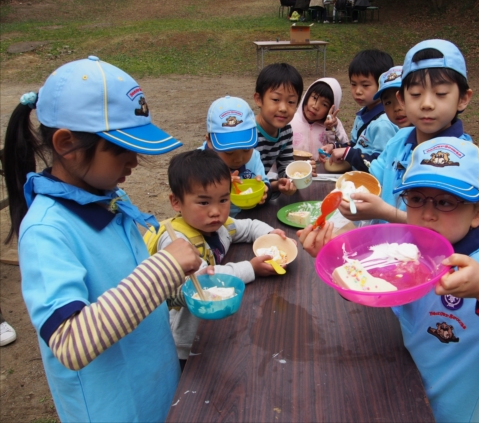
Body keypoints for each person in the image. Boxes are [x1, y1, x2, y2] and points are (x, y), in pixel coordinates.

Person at [298, 138, 479, 422]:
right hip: (391, 397)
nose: (427, 214)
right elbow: (378, 294)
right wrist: (340, 267)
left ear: (478, 213)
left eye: (445, 202)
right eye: (416, 199)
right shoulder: (406, 249)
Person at [2, 56, 202, 422]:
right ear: (66, 143)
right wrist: (166, 267)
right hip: (113, 409)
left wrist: (181, 285)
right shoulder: (47, 230)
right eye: (121, 149)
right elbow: (70, 341)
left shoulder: (109, 198)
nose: (134, 162)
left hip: (157, 389)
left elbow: (130, 283)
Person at [144, 149, 289, 368]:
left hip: (215, 325)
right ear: (176, 202)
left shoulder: (221, 226)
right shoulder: (176, 241)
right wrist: (251, 268)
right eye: (203, 203)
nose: (216, 211)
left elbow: (248, 226)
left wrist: (269, 234)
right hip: (186, 337)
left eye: (223, 200)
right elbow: (208, 279)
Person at [338, 39, 474, 223]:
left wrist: (383, 212)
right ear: (402, 99)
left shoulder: (461, 157)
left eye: (440, 93)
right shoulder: (399, 139)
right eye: (416, 94)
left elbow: (441, 227)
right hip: (379, 244)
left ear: (463, 98)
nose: (427, 104)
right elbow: (374, 180)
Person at [320, 49, 397, 172]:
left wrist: (348, 154)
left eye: (365, 85)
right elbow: (357, 145)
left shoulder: (383, 124)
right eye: (353, 84)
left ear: (382, 85)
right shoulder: (363, 113)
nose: (357, 91)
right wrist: (336, 147)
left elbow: (382, 164)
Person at [199, 95, 269, 217]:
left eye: (246, 150)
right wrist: (222, 185)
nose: (238, 159)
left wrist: (263, 191)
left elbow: (265, 182)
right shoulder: (197, 162)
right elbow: (192, 199)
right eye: (229, 152)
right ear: (209, 141)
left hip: (247, 219)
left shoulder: (254, 157)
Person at [254, 63, 306, 196]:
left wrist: (290, 180)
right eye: (276, 99)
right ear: (259, 99)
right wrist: (275, 185)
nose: (283, 108)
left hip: (263, 191)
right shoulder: (249, 134)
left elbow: (286, 166)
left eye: (291, 102)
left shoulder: (285, 131)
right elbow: (248, 178)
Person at [291, 78, 349, 161]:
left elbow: (344, 147)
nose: (315, 106)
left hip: (324, 173)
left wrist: (331, 129)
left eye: (324, 104)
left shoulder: (334, 124)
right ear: (307, 96)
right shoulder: (291, 121)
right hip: (297, 172)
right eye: (314, 98)